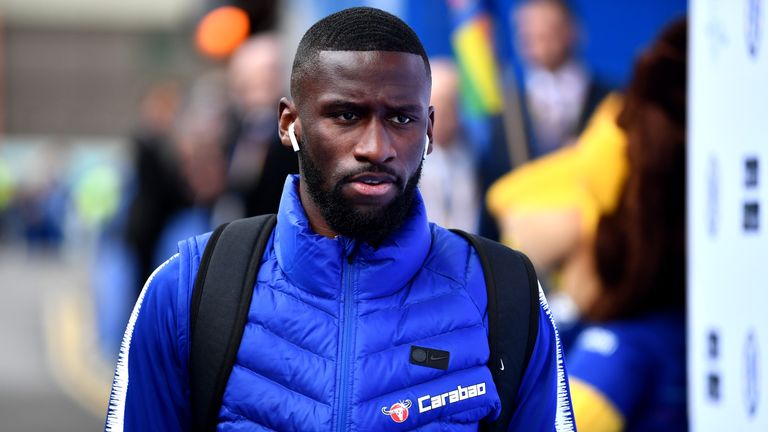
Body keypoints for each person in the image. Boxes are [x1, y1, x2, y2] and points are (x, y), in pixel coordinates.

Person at [104, 7, 574, 431]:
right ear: (290, 124)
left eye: (402, 119)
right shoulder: (190, 288)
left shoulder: (507, 295)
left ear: (430, 129)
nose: (375, 147)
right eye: (346, 115)